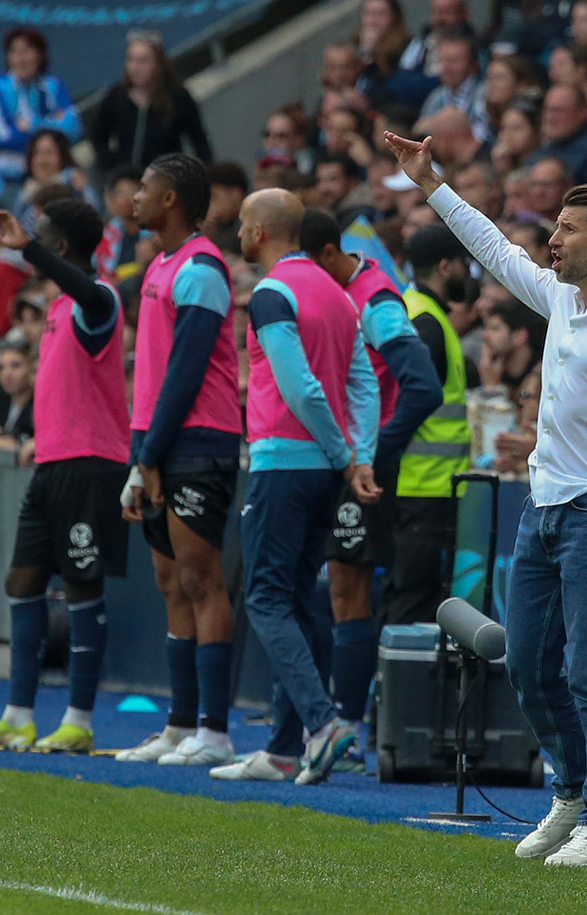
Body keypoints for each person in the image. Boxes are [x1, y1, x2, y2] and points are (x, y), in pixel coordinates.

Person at [385, 129, 587, 866]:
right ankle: (570, 791)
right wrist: (431, 183)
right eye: (555, 227)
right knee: (525, 662)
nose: (552, 239)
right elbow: (494, 248)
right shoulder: (561, 295)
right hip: (543, 506)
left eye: (567, 229)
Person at [207, 190, 380, 783]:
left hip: (283, 461)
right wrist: (358, 458)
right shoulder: (338, 293)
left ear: (258, 232)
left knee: (265, 598)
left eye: (242, 226)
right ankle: (284, 749)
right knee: (299, 598)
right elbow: (363, 384)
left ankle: (324, 725)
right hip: (324, 470)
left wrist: (341, 453)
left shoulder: (272, 293)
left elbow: (299, 387)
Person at [0, 200, 130, 751]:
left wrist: (23, 246)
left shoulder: (96, 300)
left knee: (82, 587)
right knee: (22, 581)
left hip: (91, 463)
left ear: (56, 249)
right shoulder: (56, 307)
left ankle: (78, 721)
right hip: (53, 461)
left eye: (40, 239)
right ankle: (18, 715)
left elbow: (87, 293)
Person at [300, 207, 443, 772]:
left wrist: (379, 453)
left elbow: (423, 387)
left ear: (332, 254)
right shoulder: (341, 294)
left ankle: (349, 732)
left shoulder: (377, 297)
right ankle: (329, 726)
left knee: (347, 596)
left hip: (363, 470)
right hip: (336, 463)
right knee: (326, 594)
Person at [117, 153, 242, 767]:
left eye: (144, 187)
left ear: (170, 200)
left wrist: (152, 453)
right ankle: (178, 725)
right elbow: (151, 376)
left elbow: (187, 373)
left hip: (199, 443)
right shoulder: (159, 266)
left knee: (201, 579)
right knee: (171, 583)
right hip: (160, 446)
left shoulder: (201, 268)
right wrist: (140, 455)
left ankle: (214, 730)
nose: (134, 197)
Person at [387, 225, 473, 625]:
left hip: (421, 485)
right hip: (423, 487)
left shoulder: (419, 312)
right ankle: (401, 687)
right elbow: (409, 401)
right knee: (414, 598)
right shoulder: (427, 322)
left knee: (410, 593)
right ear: (445, 266)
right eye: (462, 265)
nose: (466, 275)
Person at [0, 27, 82, 204]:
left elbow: (73, 129)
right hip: (2, 181)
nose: (20, 58)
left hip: (47, 177)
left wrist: (33, 124)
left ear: (40, 54)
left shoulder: (53, 86)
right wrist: (51, 128)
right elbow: (2, 136)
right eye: (14, 51)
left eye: (27, 50)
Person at [92, 31, 212, 173]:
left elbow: (199, 141)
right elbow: (98, 139)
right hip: (128, 182)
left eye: (143, 61)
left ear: (158, 64)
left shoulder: (178, 97)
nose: (135, 67)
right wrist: (116, 167)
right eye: (130, 60)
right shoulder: (115, 97)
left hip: (166, 179)